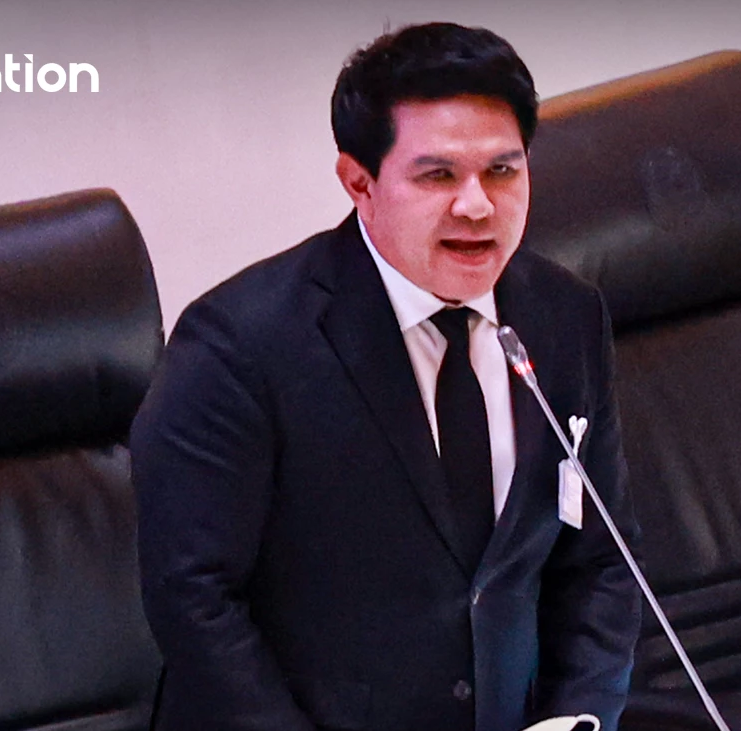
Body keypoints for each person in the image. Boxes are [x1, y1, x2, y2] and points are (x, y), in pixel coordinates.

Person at [131, 21, 642, 731]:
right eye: (439, 175)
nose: (477, 205)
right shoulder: (239, 347)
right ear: (359, 182)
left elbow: (602, 558)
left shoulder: (565, 317)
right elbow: (194, 600)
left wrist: (576, 718)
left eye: (503, 171)